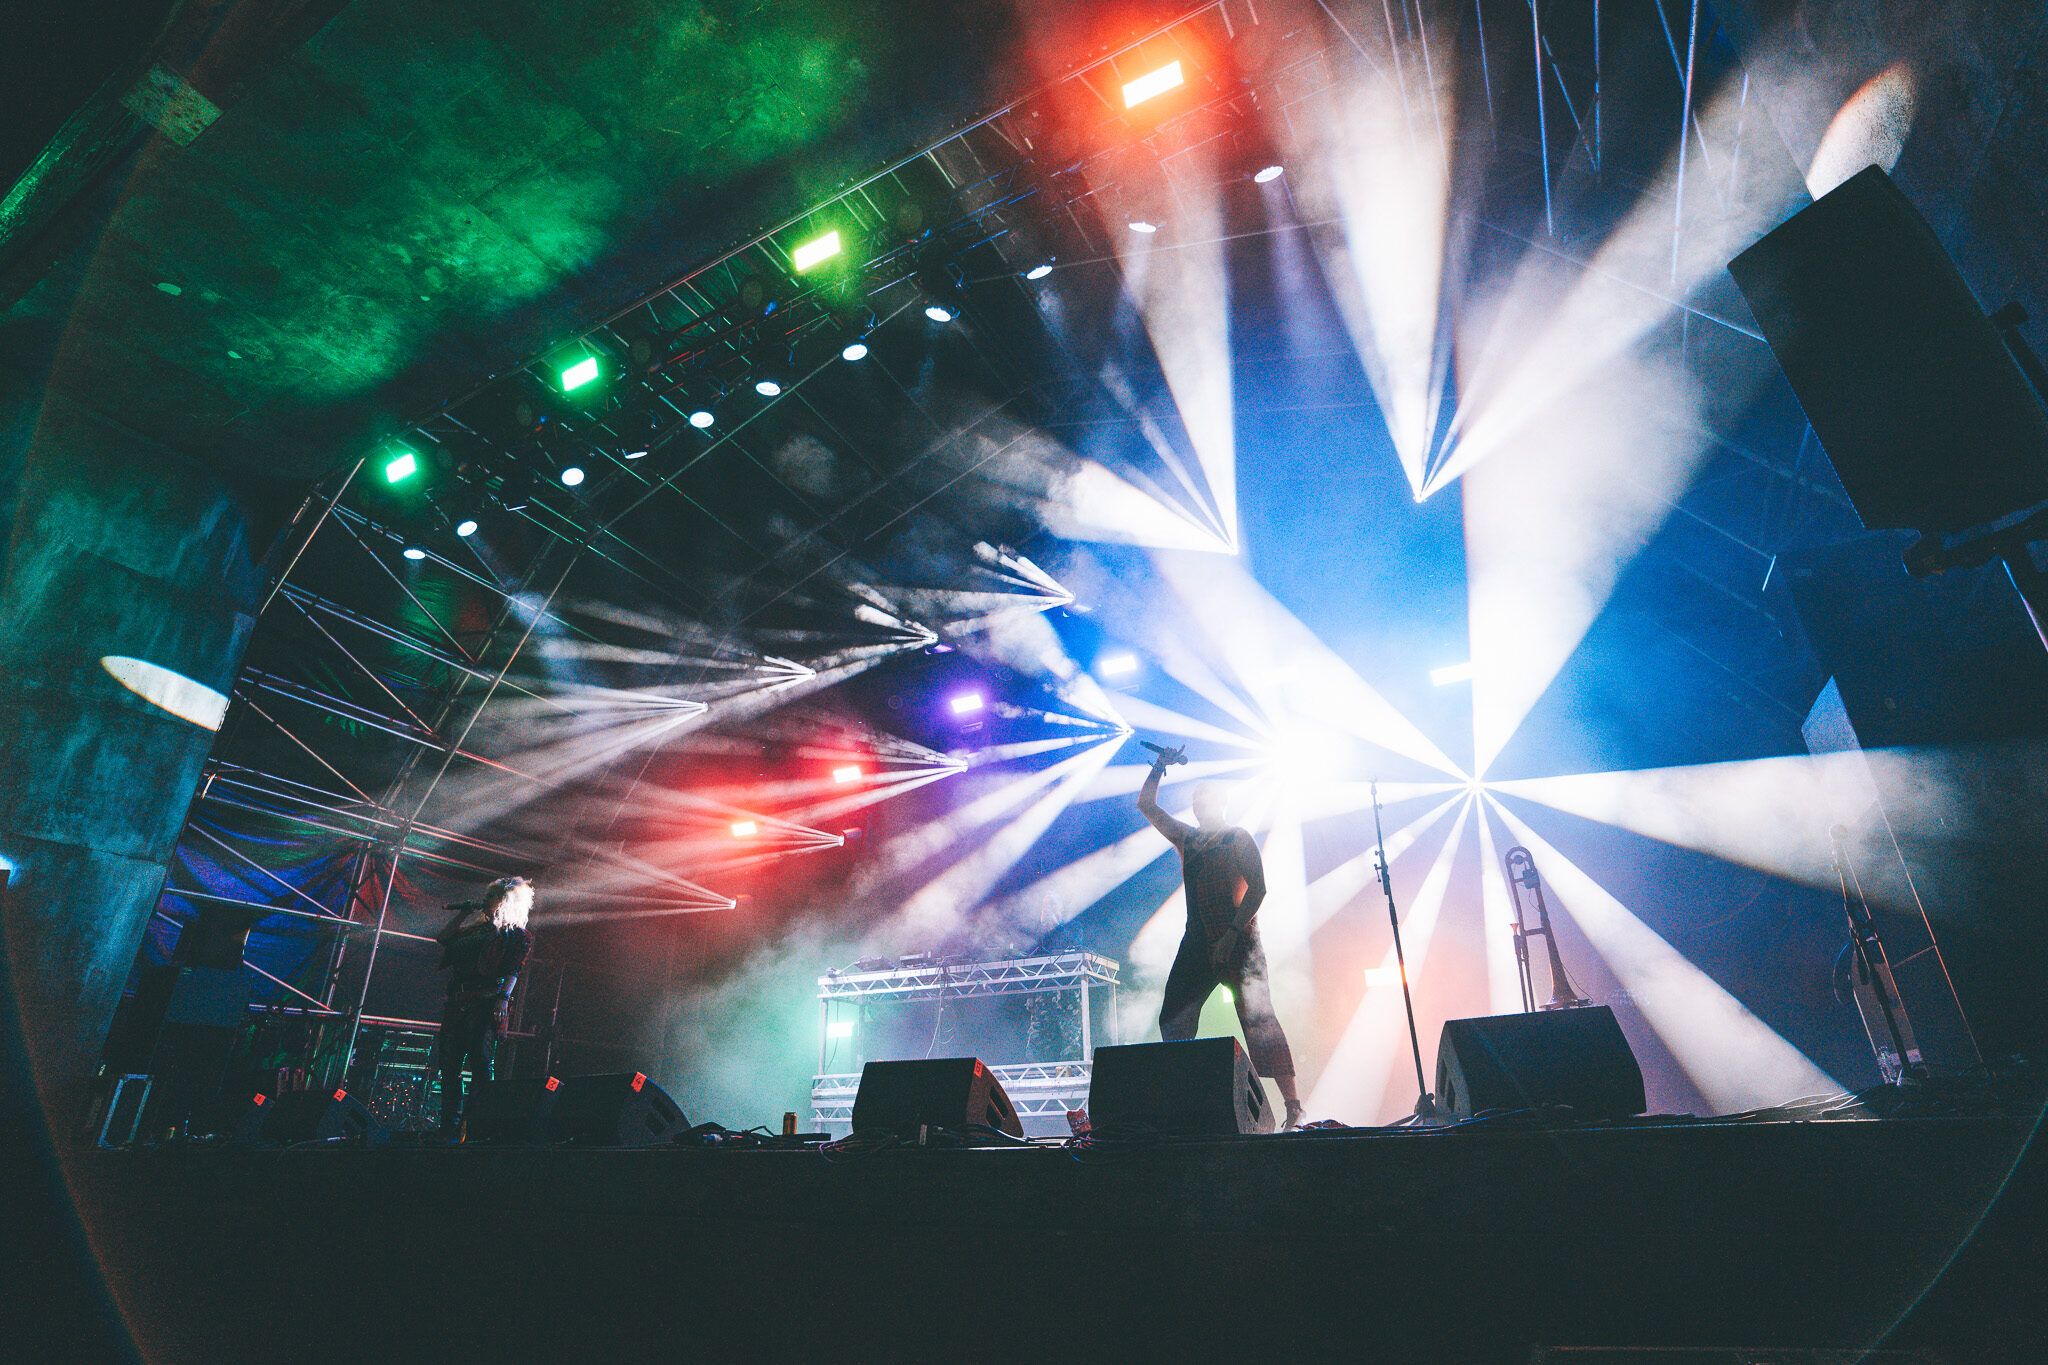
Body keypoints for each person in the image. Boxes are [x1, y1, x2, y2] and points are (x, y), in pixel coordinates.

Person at [1139, 747, 1305, 1130]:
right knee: (1174, 1019)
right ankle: (1186, 1103)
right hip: (1197, 942)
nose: (1199, 804)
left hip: (1241, 943)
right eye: (1195, 799)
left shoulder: (1237, 838)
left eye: (1206, 797)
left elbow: (1258, 889)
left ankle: (1294, 1107)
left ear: (1221, 802)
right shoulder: (1189, 839)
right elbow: (1146, 805)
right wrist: (1159, 766)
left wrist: (1231, 934)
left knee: (1260, 1022)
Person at [433, 876, 534, 1138]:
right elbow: (443, 938)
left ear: (505, 901)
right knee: (449, 1066)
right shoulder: (474, 929)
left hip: (484, 1002)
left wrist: (503, 998)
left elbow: (513, 969)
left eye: (491, 896)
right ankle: (449, 1128)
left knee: (480, 1064)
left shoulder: (514, 934)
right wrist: (463, 914)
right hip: (458, 1001)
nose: (485, 900)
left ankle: (476, 1127)